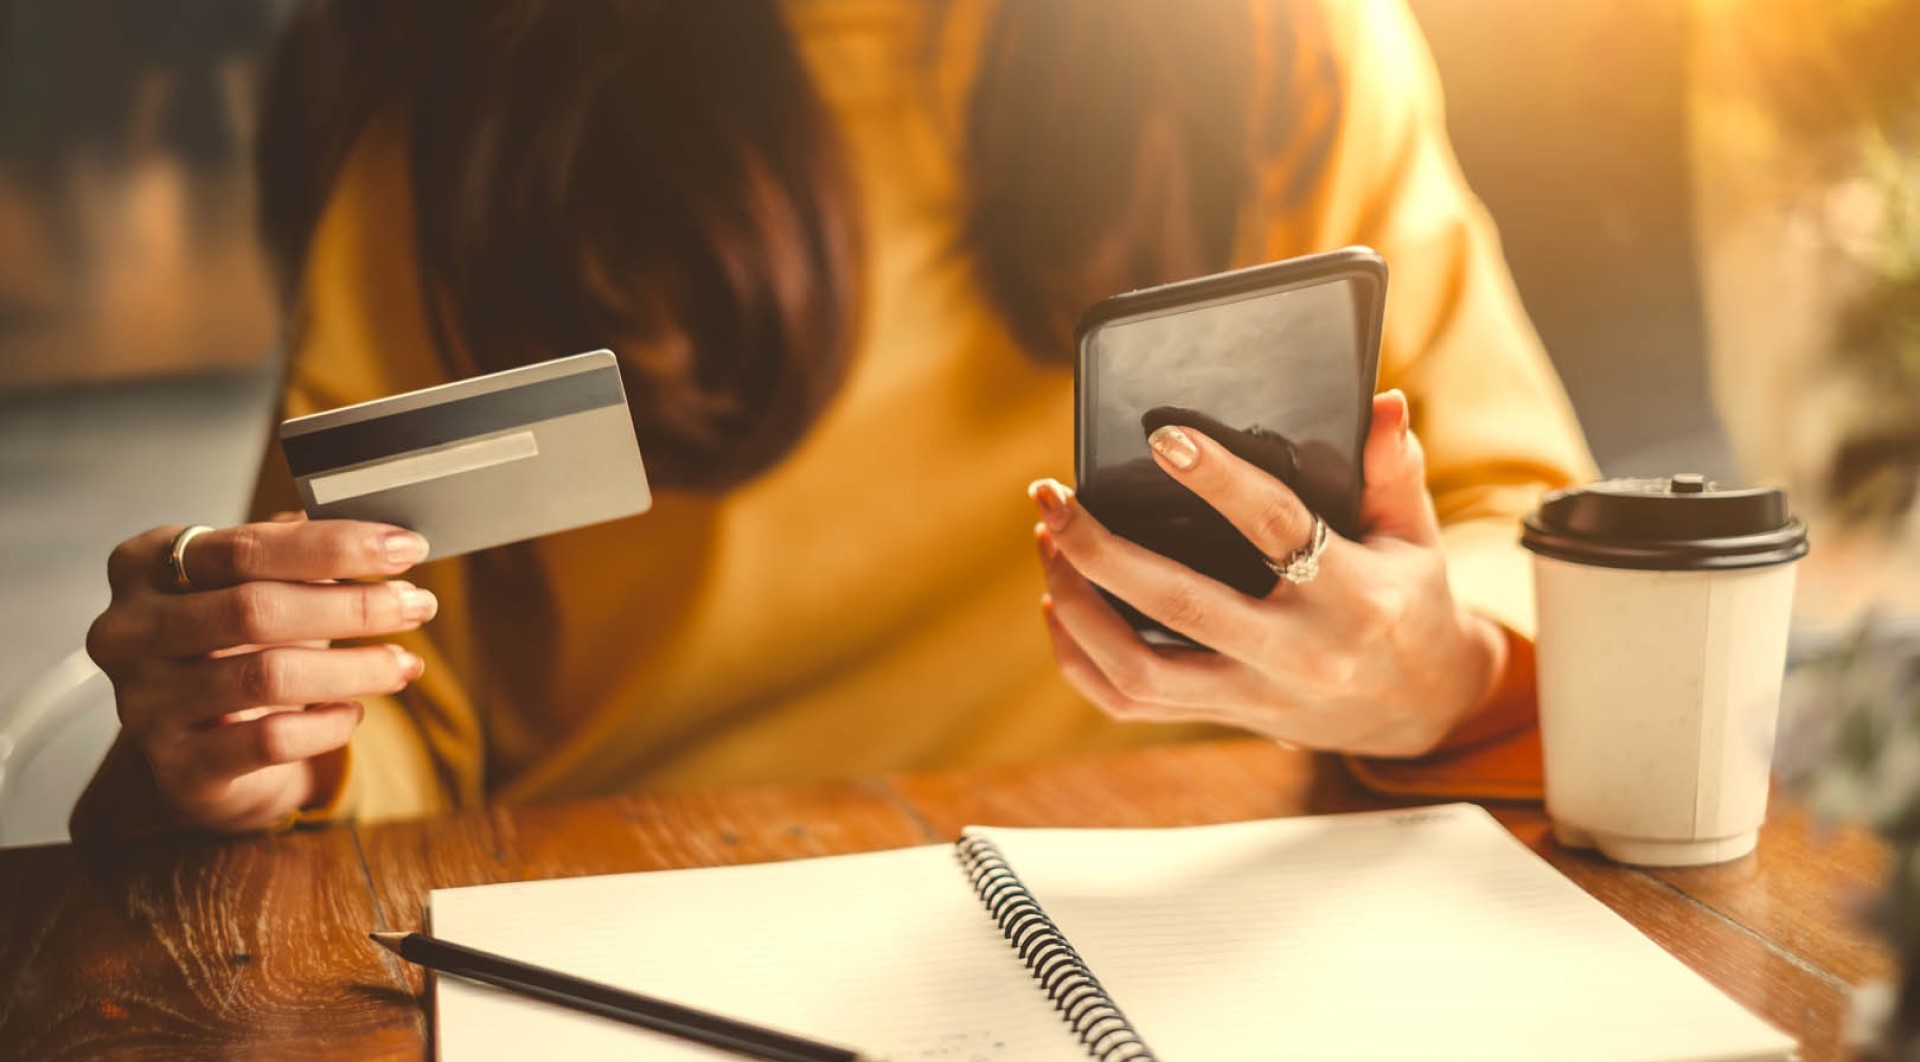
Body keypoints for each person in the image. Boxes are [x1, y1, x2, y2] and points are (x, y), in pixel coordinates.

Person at [74, 0, 1594, 835]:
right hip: (624, 920)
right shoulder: (464, 116)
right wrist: (286, 743)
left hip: (1213, 909)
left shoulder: (1290, 47)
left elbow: (1528, 531)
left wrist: (1440, 675)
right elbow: (388, 689)